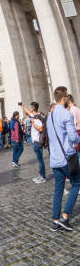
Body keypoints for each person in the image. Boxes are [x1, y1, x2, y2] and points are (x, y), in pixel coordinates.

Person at [47, 86, 80, 231]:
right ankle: (65, 217)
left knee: (58, 190)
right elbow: (73, 137)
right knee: (77, 183)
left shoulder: (50, 116)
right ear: (64, 98)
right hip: (66, 157)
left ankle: (55, 220)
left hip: (54, 159)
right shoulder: (66, 115)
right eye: (67, 96)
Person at [21, 102, 46, 183]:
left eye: (30, 107)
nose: (30, 109)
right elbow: (28, 112)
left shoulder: (37, 117)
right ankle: (40, 175)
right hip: (35, 141)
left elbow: (41, 129)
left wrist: (33, 124)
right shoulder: (34, 116)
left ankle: (43, 177)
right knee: (39, 160)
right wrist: (22, 106)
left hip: (37, 142)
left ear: (33, 108)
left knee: (40, 160)